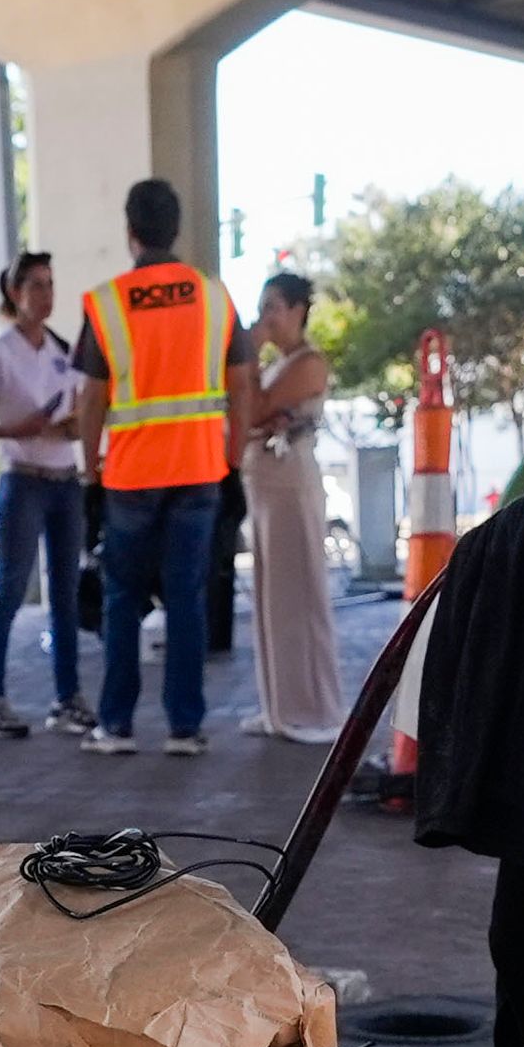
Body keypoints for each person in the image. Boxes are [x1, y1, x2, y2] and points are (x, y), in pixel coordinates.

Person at [68, 176, 252, 756]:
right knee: (186, 598)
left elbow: (91, 398)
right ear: (176, 230)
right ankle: (184, 729)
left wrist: (89, 468)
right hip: (199, 470)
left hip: (130, 477)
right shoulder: (215, 296)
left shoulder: (108, 303)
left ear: (130, 233)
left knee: (122, 600)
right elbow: (242, 382)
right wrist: (234, 453)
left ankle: (116, 726)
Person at [0, 251, 90, 738]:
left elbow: (77, 415)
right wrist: (14, 429)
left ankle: (67, 699)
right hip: (24, 477)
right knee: (11, 588)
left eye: (51, 285)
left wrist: (76, 428)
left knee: (66, 594)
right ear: (15, 294)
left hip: (64, 479)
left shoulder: (64, 350)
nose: (46, 296)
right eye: (36, 286)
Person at [238, 271, 347, 742]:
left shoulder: (308, 362)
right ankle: (279, 706)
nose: (264, 320)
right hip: (263, 484)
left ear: (298, 310)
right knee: (271, 596)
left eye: (273, 308)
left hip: (290, 484)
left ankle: (312, 707)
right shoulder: (271, 367)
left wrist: (250, 354)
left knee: (299, 594)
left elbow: (252, 410)